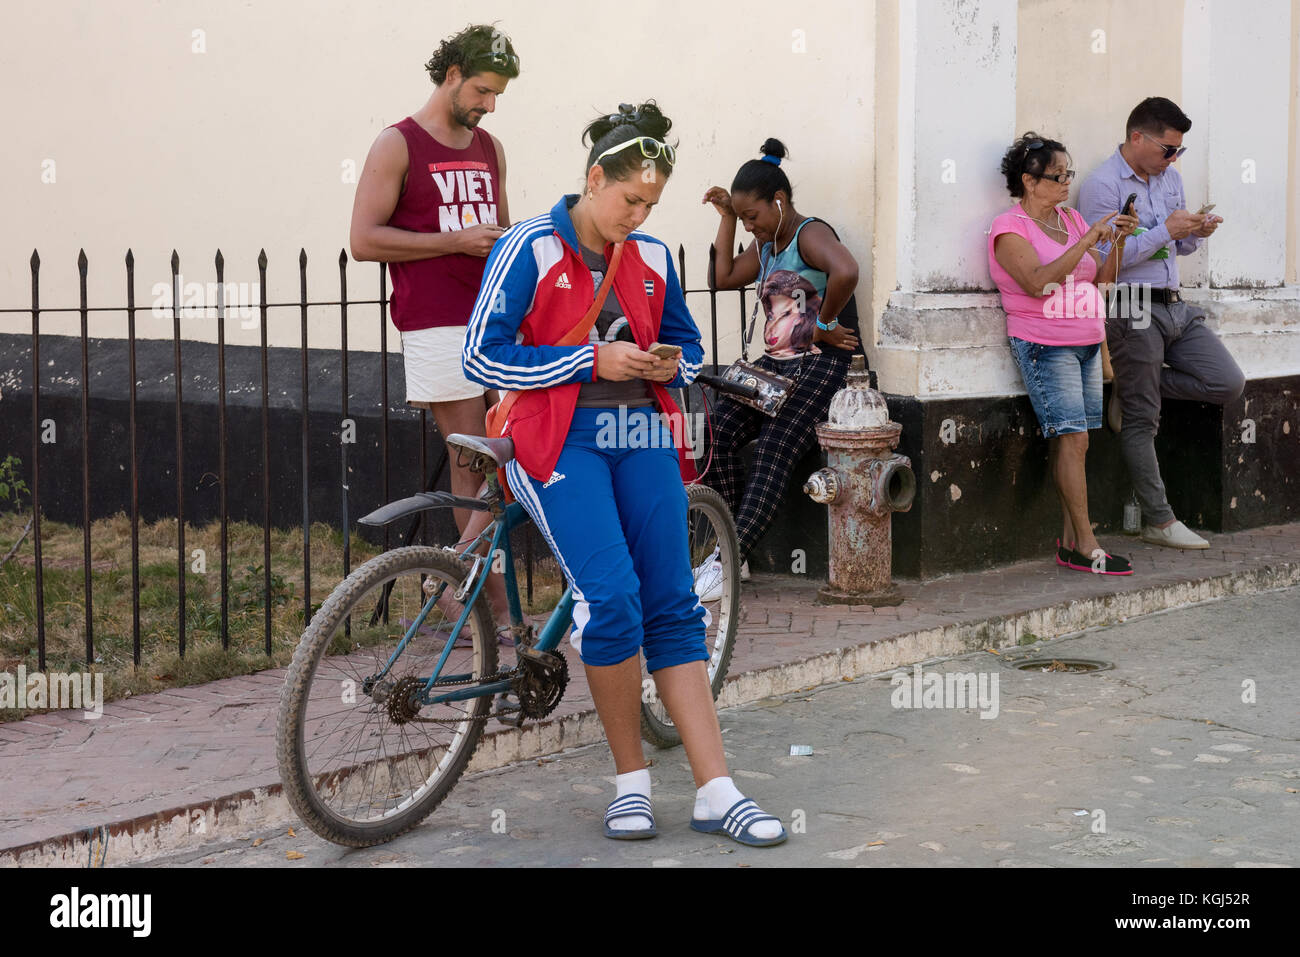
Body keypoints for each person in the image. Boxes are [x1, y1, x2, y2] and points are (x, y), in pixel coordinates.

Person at [462, 102, 787, 847]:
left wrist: (669, 362)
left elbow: (685, 341)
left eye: (650, 206)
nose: (636, 217)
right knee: (611, 599)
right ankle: (631, 783)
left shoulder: (648, 260)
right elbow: (482, 357)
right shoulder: (529, 248)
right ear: (593, 177)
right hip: (554, 438)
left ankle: (717, 789)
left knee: (672, 601)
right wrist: (589, 359)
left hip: (641, 430)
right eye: (628, 200)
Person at [349, 23, 518, 629]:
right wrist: (454, 241)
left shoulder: (490, 147)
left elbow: (498, 232)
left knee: (495, 461)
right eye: (481, 89)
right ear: (450, 75)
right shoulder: (397, 144)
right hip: (437, 322)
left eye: (497, 94)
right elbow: (364, 240)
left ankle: (468, 590)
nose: (489, 104)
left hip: (493, 320)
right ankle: (475, 596)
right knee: (480, 466)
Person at [696, 139, 861, 597]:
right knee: (718, 433)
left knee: (773, 448)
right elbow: (722, 278)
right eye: (744, 217)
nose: (751, 225)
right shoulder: (769, 243)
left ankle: (725, 561)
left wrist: (823, 323)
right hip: (775, 367)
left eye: (753, 215)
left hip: (821, 365)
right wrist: (728, 218)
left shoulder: (808, 233)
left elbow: (845, 270)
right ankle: (732, 550)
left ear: (779, 201)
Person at [1078, 96, 1244, 550]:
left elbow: (1177, 250)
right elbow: (1101, 264)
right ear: (1138, 137)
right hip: (1130, 305)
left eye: (1179, 151)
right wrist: (1165, 231)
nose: (1172, 159)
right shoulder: (1103, 185)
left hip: (1174, 303)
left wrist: (1193, 233)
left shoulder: (1170, 181)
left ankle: (1133, 388)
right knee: (1143, 420)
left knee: (1227, 383)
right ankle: (1159, 520)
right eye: (1168, 149)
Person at [989, 133, 1138, 574]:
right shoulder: (1009, 229)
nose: (1065, 183)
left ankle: (1071, 540)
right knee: (1073, 438)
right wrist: (1088, 238)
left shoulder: (1071, 220)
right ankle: (1086, 544)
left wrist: (1117, 242)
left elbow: (1102, 284)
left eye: (1067, 174)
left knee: (1077, 440)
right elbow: (1037, 282)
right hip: (1044, 344)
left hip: (1087, 341)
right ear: (1029, 181)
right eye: (1057, 177)